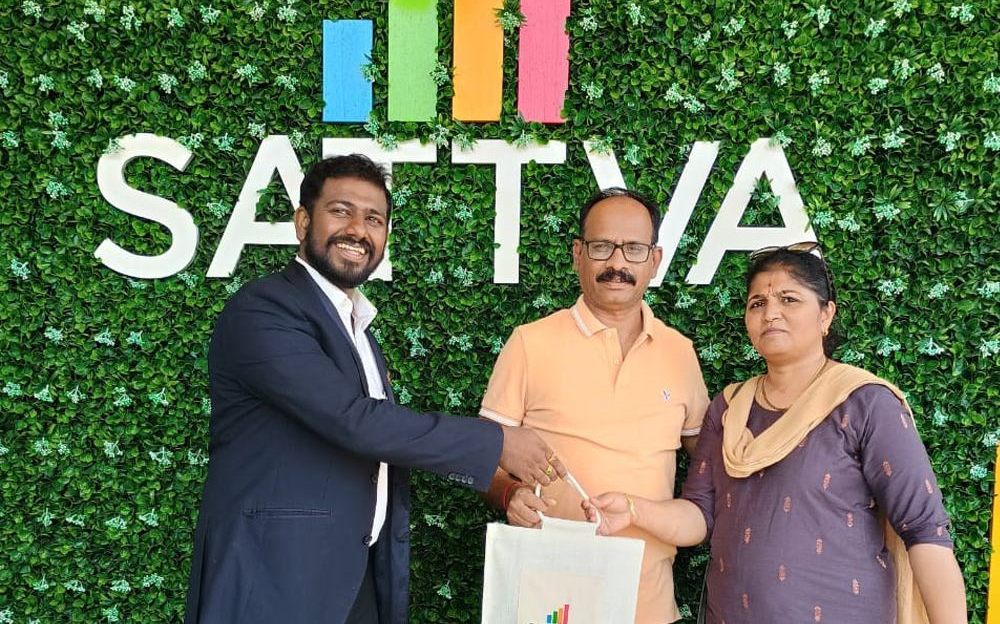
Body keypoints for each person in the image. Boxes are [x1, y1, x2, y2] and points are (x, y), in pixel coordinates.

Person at [184, 154, 565, 624]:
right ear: (302, 221)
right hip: (273, 580)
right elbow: (355, 421)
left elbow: (378, 444)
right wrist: (498, 443)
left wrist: (501, 488)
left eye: (374, 219)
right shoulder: (263, 310)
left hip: (350, 579)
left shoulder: (355, 326)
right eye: (340, 211)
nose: (358, 231)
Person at [585, 242, 968, 624]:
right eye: (758, 303)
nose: (770, 313)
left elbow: (925, 532)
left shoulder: (864, 403)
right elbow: (699, 515)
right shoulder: (729, 408)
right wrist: (633, 510)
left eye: (789, 299)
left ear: (826, 314)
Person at [479, 187, 711, 624]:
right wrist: (510, 494)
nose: (617, 263)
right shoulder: (529, 343)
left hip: (649, 604)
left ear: (655, 260)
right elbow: (484, 458)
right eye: (602, 246)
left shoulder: (680, 352)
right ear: (578, 255)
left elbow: (709, 466)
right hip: (549, 603)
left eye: (634, 249)